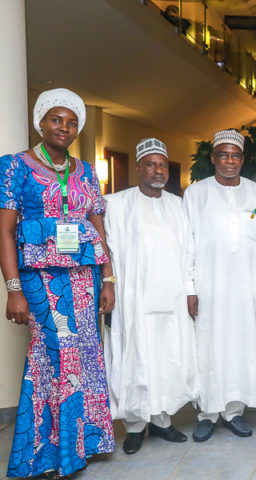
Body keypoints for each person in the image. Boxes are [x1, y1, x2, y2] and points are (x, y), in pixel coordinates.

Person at [1, 88, 115, 478]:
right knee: (52, 355)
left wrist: (108, 278)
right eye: (56, 119)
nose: (64, 127)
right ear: (40, 121)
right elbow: (5, 232)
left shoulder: (85, 171)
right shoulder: (15, 166)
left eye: (71, 122)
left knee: (84, 354)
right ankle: (46, 454)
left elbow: (98, 225)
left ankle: (87, 440)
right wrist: (13, 290)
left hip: (83, 277)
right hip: (40, 278)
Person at [103, 138, 197, 454]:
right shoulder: (116, 204)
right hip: (134, 299)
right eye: (150, 164)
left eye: (161, 165)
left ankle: (162, 422)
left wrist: (189, 290)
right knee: (136, 359)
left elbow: (189, 253)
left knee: (167, 357)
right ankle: (134, 427)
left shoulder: (177, 204)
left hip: (171, 298)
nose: (157, 170)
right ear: (138, 167)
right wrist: (110, 286)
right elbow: (109, 251)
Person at [183, 129, 256, 442]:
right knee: (206, 347)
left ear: (242, 159)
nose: (229, 161)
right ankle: (206, 413)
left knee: (241, 348)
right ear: (213, 158)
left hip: (246, 288)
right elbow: (187, 243)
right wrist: (190, 287)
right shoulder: (196, 193)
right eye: (223, 155)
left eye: (235, 155)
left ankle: (234, 411)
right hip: (208, 287)